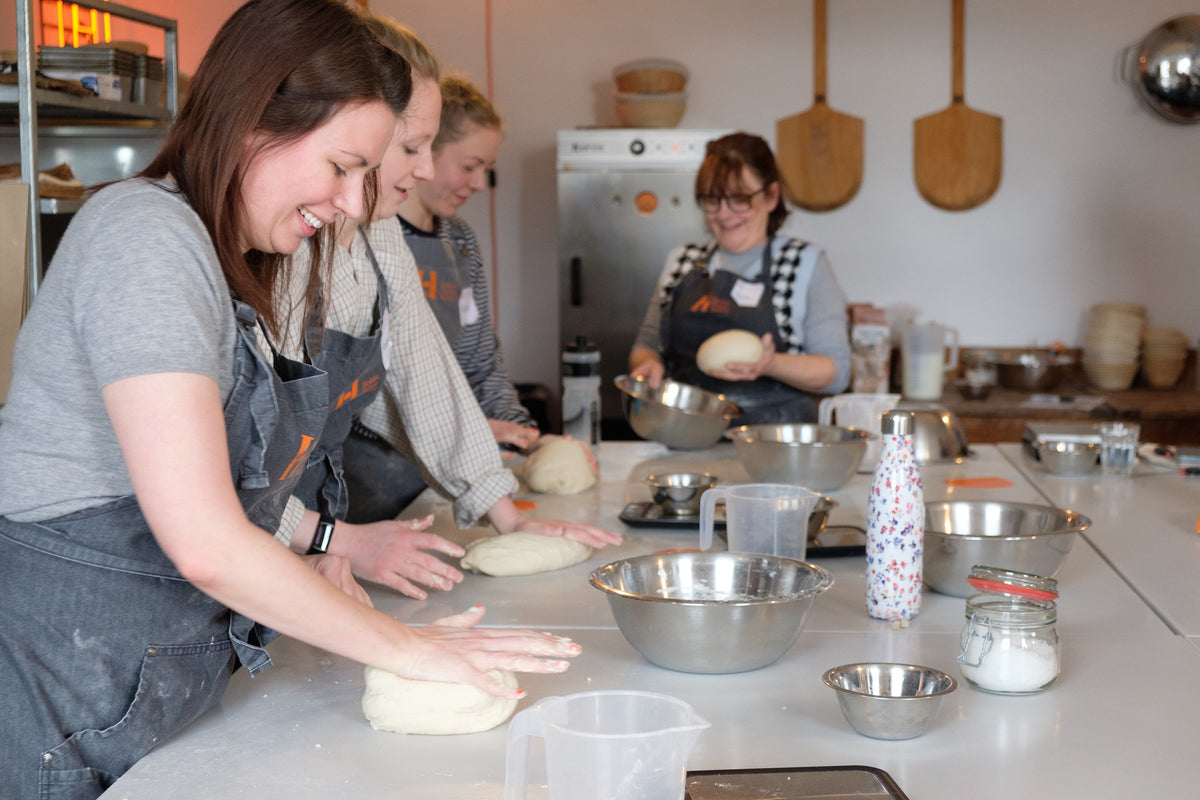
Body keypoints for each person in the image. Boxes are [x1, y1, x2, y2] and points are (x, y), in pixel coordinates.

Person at [0, 3, 579, 797]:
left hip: (151, 704)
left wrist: (319, 551)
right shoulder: (144, 240)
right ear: (255, 119)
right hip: (63, 711)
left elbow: (241, 489)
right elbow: (205, 540)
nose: (354, 204)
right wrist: (404, 647)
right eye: (342, 166)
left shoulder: (237, 261)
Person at [280, 15, 620, 595]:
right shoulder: (283, 243)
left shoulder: (381, 235)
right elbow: (227, 476)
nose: (426, 169)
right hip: (270, 529)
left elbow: (424, 371)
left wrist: (503, 510)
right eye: (412, 147)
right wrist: (332, 539)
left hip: (304, 521)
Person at [628, 131, 852, 425]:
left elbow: (837, 373)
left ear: (771, 196)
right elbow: (646, 344)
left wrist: (772, 365)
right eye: (712, 199)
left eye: (739, 198)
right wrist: (648, 364)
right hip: (684, 435)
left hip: (773, 440)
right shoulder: (681, 261)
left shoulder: (805, 264)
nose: (723, 214)